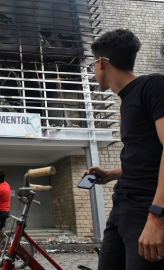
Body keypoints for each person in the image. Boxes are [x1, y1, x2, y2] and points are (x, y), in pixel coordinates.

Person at [82, 29, 164, 270]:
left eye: (93, 64)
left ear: (103, 63)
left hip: (145, 208)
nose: (93, 70)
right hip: (122, 207)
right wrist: (111, 174)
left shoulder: (153, 85)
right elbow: (149, 156)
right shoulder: (129, 99)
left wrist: (157, 217)